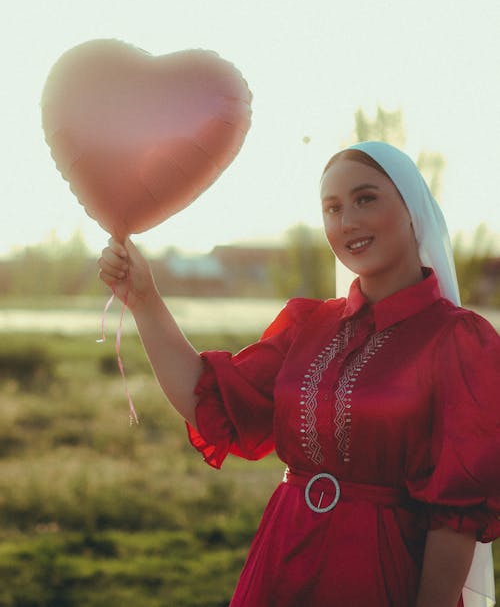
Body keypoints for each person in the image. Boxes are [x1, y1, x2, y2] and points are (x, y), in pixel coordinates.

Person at [99, 141, 500, 607]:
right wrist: (144, 300)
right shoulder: (309, 325)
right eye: (332, 208)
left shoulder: (460, 341)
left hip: (383, 573)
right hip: (281, 559)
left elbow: (456, 515)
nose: (346, 222)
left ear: (413, 210)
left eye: (365, 198)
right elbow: (207, 397)